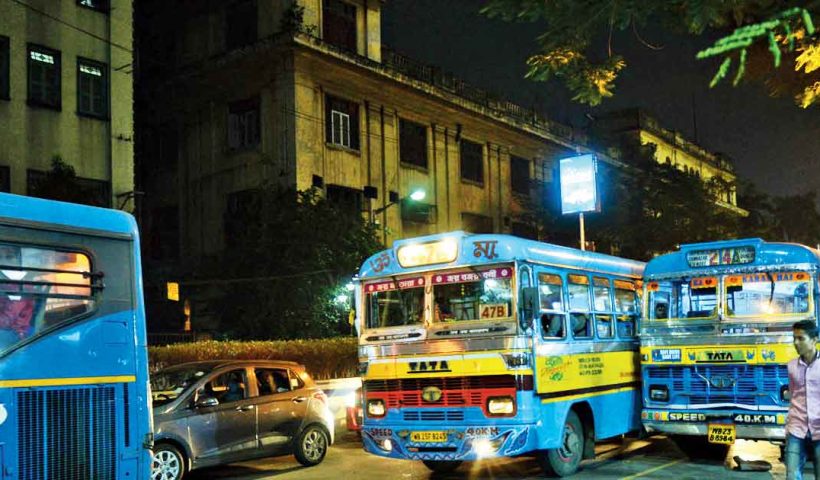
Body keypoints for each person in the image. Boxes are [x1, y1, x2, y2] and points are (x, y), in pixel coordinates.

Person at [785, 319, 820, 480]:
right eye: (794, 338)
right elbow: (793, 394)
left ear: (814, 340)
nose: (796, 343)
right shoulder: (791, 366)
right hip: (796, 428)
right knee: (792, 475)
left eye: (801, 338)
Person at [0, 245, 35, 343]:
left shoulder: (22, 286)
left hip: (13, 335)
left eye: (9, 257)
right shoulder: (5, 282)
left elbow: (8, 320)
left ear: (18, 260)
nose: (3, 261)